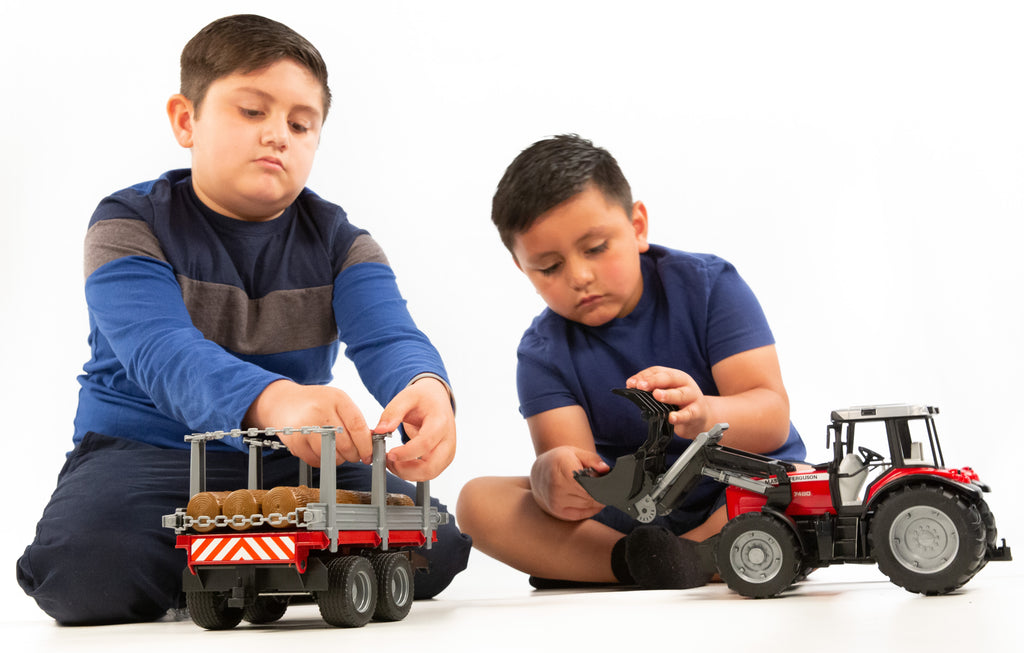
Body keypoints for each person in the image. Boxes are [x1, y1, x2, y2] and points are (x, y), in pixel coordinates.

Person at [16, 14, 470, 625]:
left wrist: (427, 388)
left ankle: (240, 572)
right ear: (186, 120)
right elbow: (162, 351)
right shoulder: (128, 223)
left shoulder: (342, 243)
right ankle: (225, 571)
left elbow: (390, 334)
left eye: (301, 124)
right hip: (145, 452)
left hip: (292, 459)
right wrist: (275, 400)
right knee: (82, 574)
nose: (278, 135)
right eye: (252, 111)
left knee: (433, 543)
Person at [456, 134, 806, 590]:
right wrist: (553, 480)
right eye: (549, 267)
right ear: (523, 269)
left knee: (800, 487)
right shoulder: (543, 352)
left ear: (637, 226)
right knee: (477, 503)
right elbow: (577, 477)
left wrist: (706, 415)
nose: (579, 276)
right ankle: (648, 560)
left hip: (737, 491)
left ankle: (678, 555)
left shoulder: (709, 287)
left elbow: (773, 418)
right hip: (637, 514)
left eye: (595, 248)